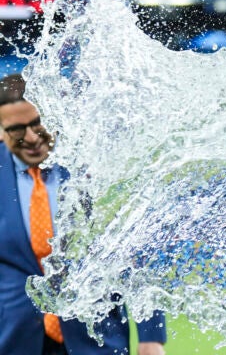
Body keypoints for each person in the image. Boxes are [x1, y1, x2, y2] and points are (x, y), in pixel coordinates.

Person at [0, 73, 167, 355]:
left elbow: (135, 250)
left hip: (97, 338)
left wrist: (151, 336)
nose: (31, 137)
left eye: (38, 123)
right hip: (14, 339)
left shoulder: (97, 165)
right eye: (17, 128)